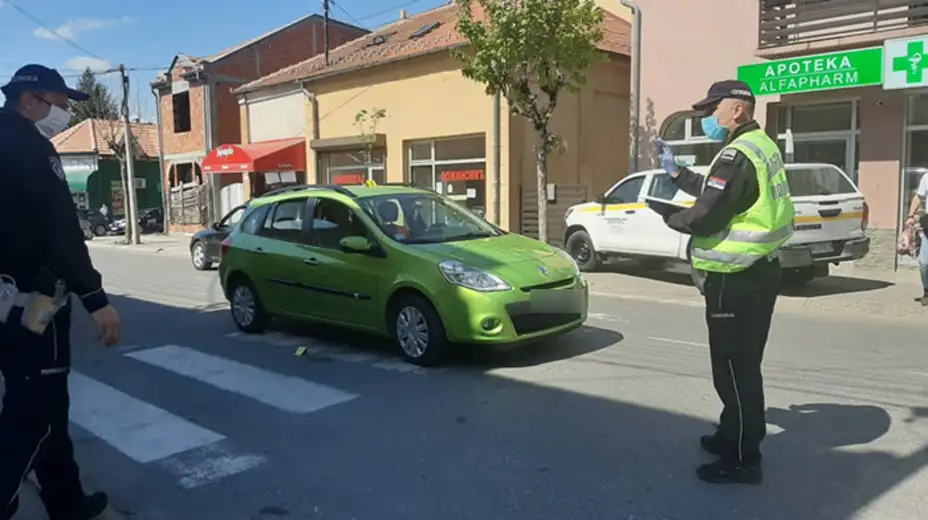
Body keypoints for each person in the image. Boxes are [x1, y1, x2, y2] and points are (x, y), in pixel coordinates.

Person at [649, 80, 794, 485]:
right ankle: (731, 432)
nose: (709, 118)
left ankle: (745, 459)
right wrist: (677, 173)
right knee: (740, 364)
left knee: (734, 369)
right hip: (758, 272)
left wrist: (668, 216)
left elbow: (708, 215)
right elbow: (720, 194)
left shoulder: (737, 153)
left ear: (737, 111)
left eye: (714, 109)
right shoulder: (759, 146)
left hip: (737, 278)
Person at [0, 65, 122, 520]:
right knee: (37, 416)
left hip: (5, 304)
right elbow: (60, 232)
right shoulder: (31, 148)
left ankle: (66, 501)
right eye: (60, 101)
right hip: (35, 305)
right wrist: (96, 298)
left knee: (45, 405)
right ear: (30, 100)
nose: (66, 112)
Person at [904, 171, 928, 305]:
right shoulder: (927, 177)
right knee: (924, 263)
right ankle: (927, 291)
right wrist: (910, 216)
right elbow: (919, 197)